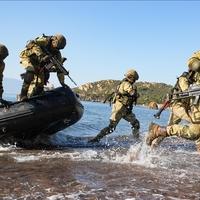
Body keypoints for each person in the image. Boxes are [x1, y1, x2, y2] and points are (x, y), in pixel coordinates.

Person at [146, 52, 200, 151]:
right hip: (178, 106)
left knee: (171, 127)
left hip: (185, 106)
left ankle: (154, 144)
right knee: (194, 124)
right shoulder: (183, 79)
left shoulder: (192, 80)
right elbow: (186, 91)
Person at [89, 69, 140, 143]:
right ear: (131, 77)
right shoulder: (126, 84)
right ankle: (96, 139)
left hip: (125, 110)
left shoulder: (124, 84)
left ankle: (136, 141)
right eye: (134, 79)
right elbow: (131, 92)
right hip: (119, 110)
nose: (135, 81)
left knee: (135, 123)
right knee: (111, 127)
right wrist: (136, 94)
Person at [19, 33, 68, 100]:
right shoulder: (44, 41)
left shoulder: (57, 53)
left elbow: (59, 69)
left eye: (59, 48)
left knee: (40, 85)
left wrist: (62, 83)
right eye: (56, 47)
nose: (56, 49)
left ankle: (33, 99)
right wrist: (41, 55)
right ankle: (23, 95)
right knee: (31, 70)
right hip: (28, 57)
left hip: (39, 64)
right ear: (53, 41)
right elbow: (31, 44)